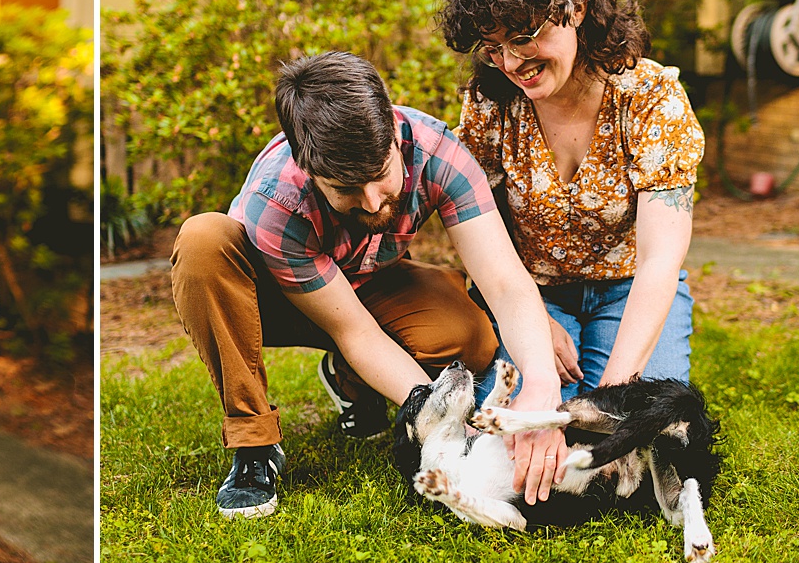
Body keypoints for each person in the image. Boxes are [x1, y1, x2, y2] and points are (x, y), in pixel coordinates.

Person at [170, 50, 566, 520]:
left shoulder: (440, 153)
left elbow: (504, 282)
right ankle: (254, 443)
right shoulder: (275, 196)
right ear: (307, 167)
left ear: (395, 137)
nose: (373, 201)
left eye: (380, 176)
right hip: (267, 299)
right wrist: (445, 421)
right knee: (202, 239)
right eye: (346, 190)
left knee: (470, 336)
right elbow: (354, 331)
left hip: (367, 280)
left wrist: (541, 384)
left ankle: (349, 379)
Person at [439, 0, 703, 403]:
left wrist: (612, 399)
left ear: (575, 8)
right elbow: (481, 235)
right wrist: (533, 318)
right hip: (529, 289)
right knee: (519, 420)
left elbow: (660, 261)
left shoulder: (650, 99)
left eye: (523, 37)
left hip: (628, 288)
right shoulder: (491, 104)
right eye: (493, 48)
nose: (512, 63)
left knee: (630, 426)